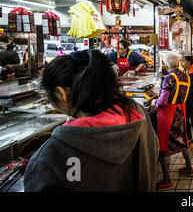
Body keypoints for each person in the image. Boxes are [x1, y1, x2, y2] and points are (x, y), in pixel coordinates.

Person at [23, 50, 159, 191]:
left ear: (61, 93)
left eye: (49, 96)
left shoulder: (51, 157)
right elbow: (153, 149)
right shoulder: (137, 112)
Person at [154, 52, 193, 190]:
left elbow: (163, 101)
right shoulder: (186, 76)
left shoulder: (169, 78)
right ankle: (189, 168)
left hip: (168, 114)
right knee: (184, 140)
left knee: (164, 146)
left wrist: (155, 102)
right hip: (180, 112)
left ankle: (166, 180)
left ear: (166, 64)